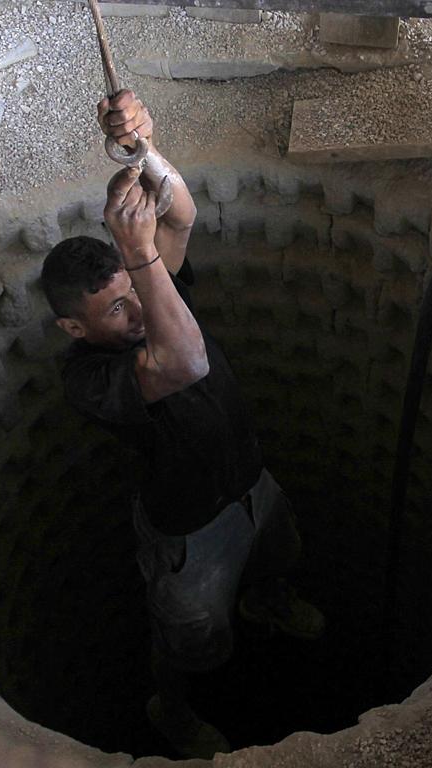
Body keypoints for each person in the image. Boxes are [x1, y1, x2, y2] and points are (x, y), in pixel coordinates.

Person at [40, 91, 324, 759]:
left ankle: (269, 600)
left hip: (249, 485)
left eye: (135, 294)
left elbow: (183, 213)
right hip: (189, 533)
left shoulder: (146, 288)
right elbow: (184, 361)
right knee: (187, 640)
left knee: (279, 552)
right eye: (115, 310)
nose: (137, 310)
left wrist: (146, 152)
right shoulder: (89, 377)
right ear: (76, 327)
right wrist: (140, 259)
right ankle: (170, 710)